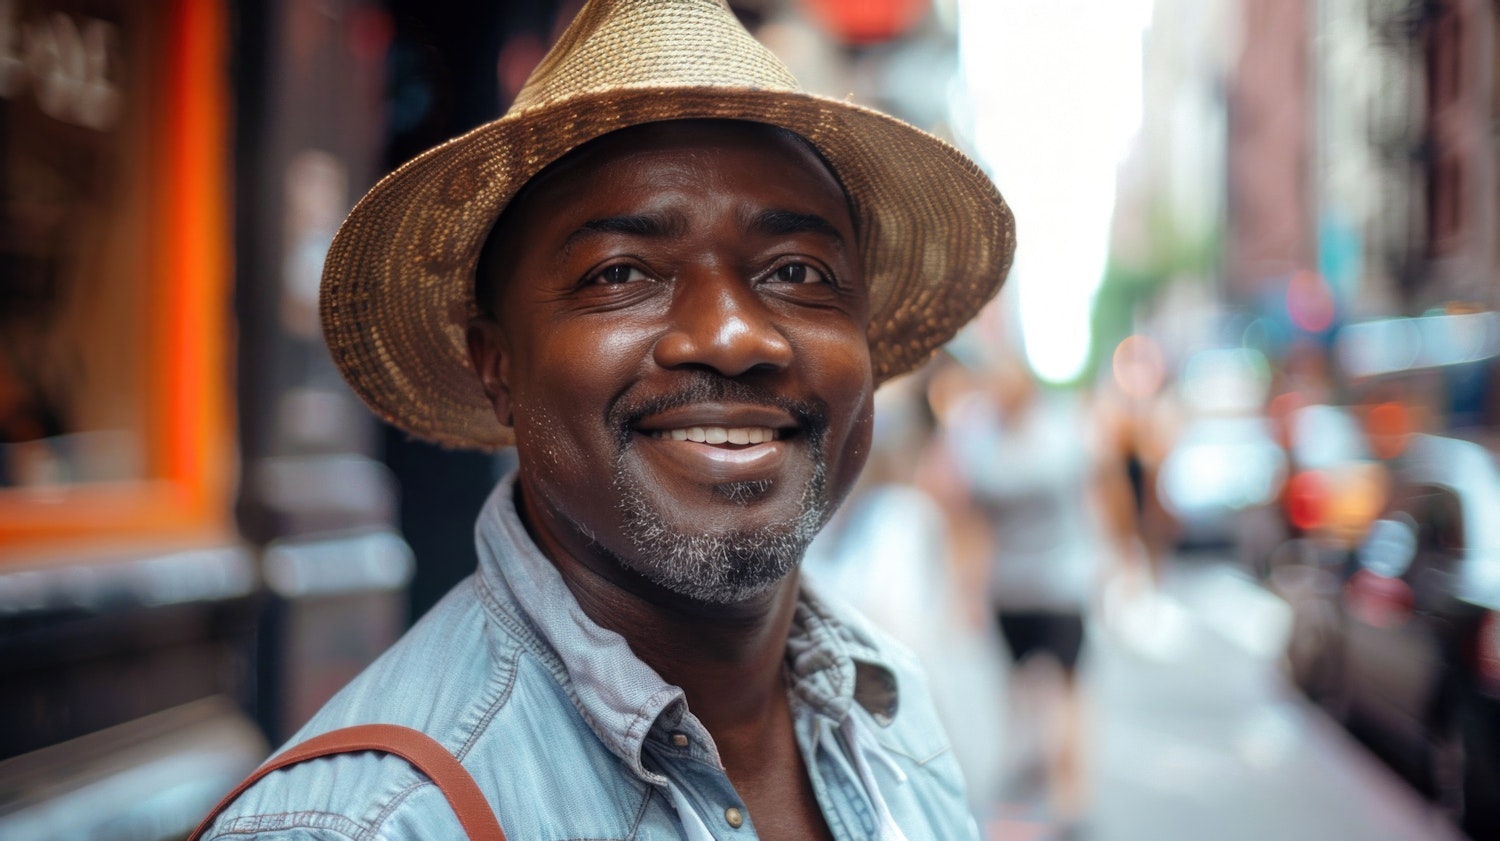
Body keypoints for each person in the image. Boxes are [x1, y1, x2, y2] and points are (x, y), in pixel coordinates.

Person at [202, 0, 1014, 838]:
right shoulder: (365, 826)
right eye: (621, 272)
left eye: (799, 270)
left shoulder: (894, 716)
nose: (733, 336)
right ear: (498, 364)